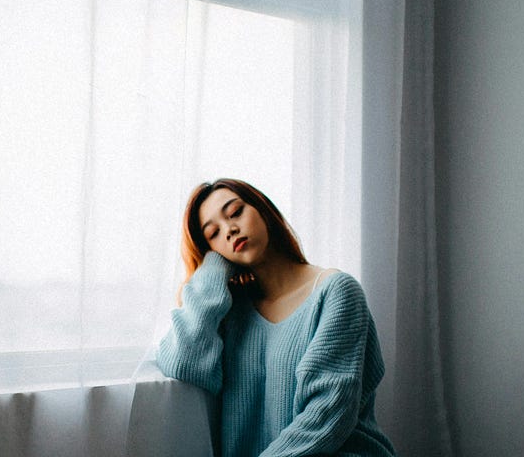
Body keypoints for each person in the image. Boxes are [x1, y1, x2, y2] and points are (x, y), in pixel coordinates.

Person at [157, 178, 395, 456]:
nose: (230, 230)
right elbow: (184, 362)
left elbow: (327, 413)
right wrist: (213, 268)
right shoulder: (233, 313)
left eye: (235, 213)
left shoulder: (335, 292)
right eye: (213, 234)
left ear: (263, 209)